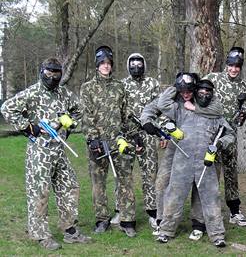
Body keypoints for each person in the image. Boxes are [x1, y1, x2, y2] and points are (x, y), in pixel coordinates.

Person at [1, 58, 91, 250]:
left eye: (56, 74)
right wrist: (28, 128)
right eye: (48, 73)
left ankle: (70, 230)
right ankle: (41, 235)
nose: (51, 77)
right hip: (39, 152)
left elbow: (79, 110)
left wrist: (67, 125)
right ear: (42, 72)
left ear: (60, 74)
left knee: (70, 186)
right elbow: (7, 108)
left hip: (60, 150)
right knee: (39, 192)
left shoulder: (63, 93)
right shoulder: (33, 92)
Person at [140, 73, 223, 241]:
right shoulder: (175, 97)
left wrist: (195, 107)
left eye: (189, 90)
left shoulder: (203, 98)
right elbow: (154, 106)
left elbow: (218, 111)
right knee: (164, 182)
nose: (185, 94)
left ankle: (199, 224)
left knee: (202, 187)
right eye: (182, 90)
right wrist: (146, 121)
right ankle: (163, 221)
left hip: (201, 146)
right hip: (177, 144)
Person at [156, 79, 235, 247]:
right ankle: (166, 231)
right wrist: (176, 85)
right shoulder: (181, 109)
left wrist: (219, 144)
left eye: (208, 93)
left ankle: (217, 234)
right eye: (201, 92)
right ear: (195, 92)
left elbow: (230, 135)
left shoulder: (215, 115)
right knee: (174, 195)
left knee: (211, 198)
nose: (204, 95)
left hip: (206, 164)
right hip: (182, 161)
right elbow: (163, 103)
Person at [80, 45, 135, 237]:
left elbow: (126, 114)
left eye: (108, 63)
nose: (105, 66)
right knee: (98, 182)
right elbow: (85, 115)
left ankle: (127, 220)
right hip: (97, 143)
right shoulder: (87, 88)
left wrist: (131, 136)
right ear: (97, 65)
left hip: (118, 141)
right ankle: (101, 219)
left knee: (125, 180)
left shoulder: (120, 87)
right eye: (102, 63)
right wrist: (92, 139)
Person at [111, 53, 161, 232]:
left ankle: (153, 212)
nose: (136, 67)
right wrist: (120, 133)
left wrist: (159, 131)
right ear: (128, 66)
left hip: (148, 134)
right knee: (123, 175)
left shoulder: (153, 84)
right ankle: (120, 210)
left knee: (151, 174)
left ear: (144, 65)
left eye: (140, 63)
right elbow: (117, 110)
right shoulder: (121, 85)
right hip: (126, 136)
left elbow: (159, 108)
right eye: (133, 64)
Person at [203, 47, 246, 227]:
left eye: (237, 66)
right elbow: (201, 96)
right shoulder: (213, 78)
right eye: (231, 65)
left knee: (231, 172)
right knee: (211, 173)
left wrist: (241, 116)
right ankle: (209, 211)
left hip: (231, 135)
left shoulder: (243, 85)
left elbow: (243, 109)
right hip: (212, 134)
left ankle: (234, 211)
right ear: (226, 64)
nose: (233, 69)